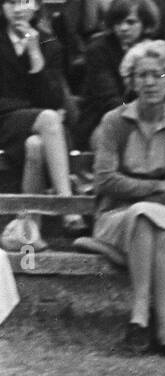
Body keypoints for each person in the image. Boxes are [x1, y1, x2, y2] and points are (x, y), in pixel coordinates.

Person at [91, 36, 165, 355]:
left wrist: (145, 197)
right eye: (142, 75)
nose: (150, 82)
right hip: (114, 218)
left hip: (163, 215)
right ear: (132, 81)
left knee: (152, 222)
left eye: (158, 75)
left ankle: (140, 322)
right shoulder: (115, 121)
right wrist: (153, 187)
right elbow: (105, 180)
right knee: (146, 218)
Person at [0, 0, 84, 233]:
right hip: (5, 122)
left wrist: (35, 53)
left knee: (35, 145)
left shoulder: (49, 43)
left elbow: (53, 99)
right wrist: (33, 108)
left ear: (36, 6)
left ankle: (30, 229)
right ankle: (68, 206)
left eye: (24, 1)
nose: (17, 9)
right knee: (48, 118)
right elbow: (48, 109)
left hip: (42, 128)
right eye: (10, 2)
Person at [75, 0, 159, 148]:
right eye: (118, 23)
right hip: (103, 120)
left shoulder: (156, 50)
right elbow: (109, 100)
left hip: (150, 116)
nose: (123, 28)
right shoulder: (98, 50)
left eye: (130, 22)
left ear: (145, 24)